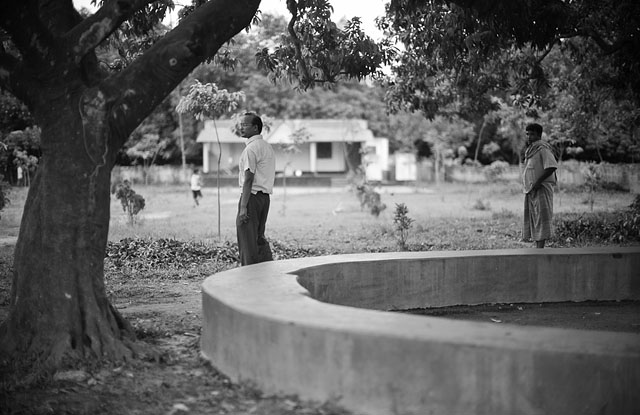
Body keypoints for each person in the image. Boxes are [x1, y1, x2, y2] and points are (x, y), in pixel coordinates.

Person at [236, 112, 276, 265]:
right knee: (259, 237)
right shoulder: (267, 147)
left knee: (247, 239)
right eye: (241, 124)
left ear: (255, 127)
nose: (241, 127)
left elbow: (248, 179)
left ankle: (248, 274)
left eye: (245, 125)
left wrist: (243, 207)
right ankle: (266, 269)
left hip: (251, 197)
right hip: (264, 198)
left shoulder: (251, 149)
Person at [520, 123, 558, 248]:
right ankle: (538, 247)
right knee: (534, 217)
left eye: (532, 134)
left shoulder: (543, 149)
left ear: (539, 135)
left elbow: (551, 167)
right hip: (531, 189)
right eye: (527, 134)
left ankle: (540, 248)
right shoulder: (532, 149)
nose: (529, 137)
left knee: (541, 218)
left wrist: (538, 182)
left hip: (541, 188)